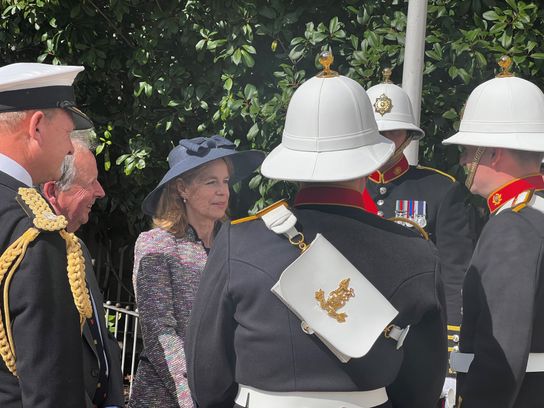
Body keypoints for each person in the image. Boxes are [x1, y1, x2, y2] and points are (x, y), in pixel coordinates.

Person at [186, 52, 447, 408]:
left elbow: (207, 373)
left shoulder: (240, 241)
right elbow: (421, 387)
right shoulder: (416, 251)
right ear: (370, 159)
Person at [129, 135, 264, 407]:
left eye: (225, 181)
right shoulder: (157, 245)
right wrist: (193, 399)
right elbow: (161, 334)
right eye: (210, 181)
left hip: (229, 394)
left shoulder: (235, 245)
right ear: (182, 188)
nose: (223, 191)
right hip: (167, 397)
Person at [443, 56, 544, 407]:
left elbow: (502, 346)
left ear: (495, 153)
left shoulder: (512, 225)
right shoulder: (531, 212)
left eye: (469, 151)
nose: (463, 161)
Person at [0, 62, 94, 407]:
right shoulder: (34, 230)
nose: (71, 149)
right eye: (69, 133)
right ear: (37, 125)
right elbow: (51, 385)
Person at [365, 69, 475, 349]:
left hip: (417, 334)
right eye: (376, 132)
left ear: (408, 136)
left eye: (392, 131)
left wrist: (453, 343)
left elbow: (454, 274)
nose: (384, 139)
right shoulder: (342, 189)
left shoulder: (441, 190)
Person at [41, 131, 125, 408]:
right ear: (53, 192)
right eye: (90, 182)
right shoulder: (31, 255)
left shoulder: (76, 245)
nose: (100, 192)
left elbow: (99, 334)